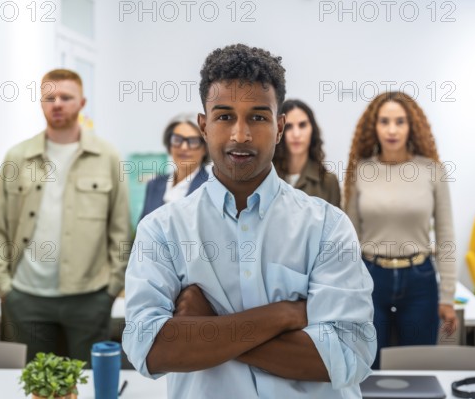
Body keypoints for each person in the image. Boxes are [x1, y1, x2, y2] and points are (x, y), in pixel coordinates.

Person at [123, 44, 376, 398]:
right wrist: (284, 315)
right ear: (204, 126)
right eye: (224, 116)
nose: (240, 135)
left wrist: (207, 327)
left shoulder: (326, 226)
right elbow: (149, 349)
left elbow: (347, 356)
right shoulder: (161, 230)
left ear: (279, 127)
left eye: (257, 117)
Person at [0, 69, 131, 364]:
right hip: (26, 297)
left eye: (66, 97)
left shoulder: (107, 157)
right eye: (50, 97)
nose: (58, 104)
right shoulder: (17, 157)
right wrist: (4, 287)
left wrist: (112, 288)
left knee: (89, 383)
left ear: (82, 102)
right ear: (41, 103)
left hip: (89, 297)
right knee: (36, 385)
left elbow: (120, 230)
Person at [344, 91, 457, 369]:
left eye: (400, 121)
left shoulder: (432, 171)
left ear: (411, 126)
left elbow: (445, 235)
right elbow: (348, 238)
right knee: (368, 366)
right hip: (370, 278)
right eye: (384, 121)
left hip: (420, 280)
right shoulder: (361, 171)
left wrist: (448, 297)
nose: (392, 129)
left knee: (417, 366)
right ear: (374, 126)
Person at [139, 114, 209, 220]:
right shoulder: (154, 184)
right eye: (177, 139)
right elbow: (141, 231)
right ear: (169, 145)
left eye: (193, 141)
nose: (184, 147)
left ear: (205, 148)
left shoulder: (211, 188)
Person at [273, 99, 341, 206]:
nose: (296, 134)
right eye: (289, 126)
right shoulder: (265, 177)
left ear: (312, 130)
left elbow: (337, 222)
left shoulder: (328, 182)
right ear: (279, 130)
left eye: (302, 125)